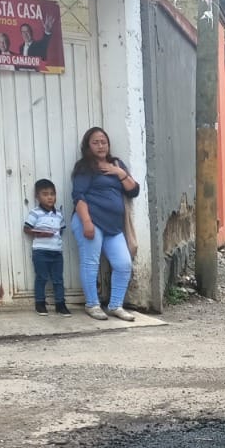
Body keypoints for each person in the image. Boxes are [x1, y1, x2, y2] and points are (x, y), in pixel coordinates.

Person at [70, 127, 140, 322]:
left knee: (123, 264)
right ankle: (92, 304)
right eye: (95, 142)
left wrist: (118, 172)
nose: (101, 146)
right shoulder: (84, 167)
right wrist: (86, 222)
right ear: (87, 146)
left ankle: (115, 305)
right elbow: (79, 197)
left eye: (103, 141)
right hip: (90, 221)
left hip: (113, 226)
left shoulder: (117, 164)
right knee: (90, 263)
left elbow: (133, 191)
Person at [24, 178, 68, 314]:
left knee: (58, 279)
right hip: (40, 252)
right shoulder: (35, 213)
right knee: (41, 277)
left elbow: (61, 230)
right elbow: (26, 229)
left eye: (52, 194)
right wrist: (40, 234)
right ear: (37, 197)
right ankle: (40, 303)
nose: (49, 197)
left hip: (56, 252)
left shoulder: (59, 214)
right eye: (45, 194)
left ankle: (60, 305)